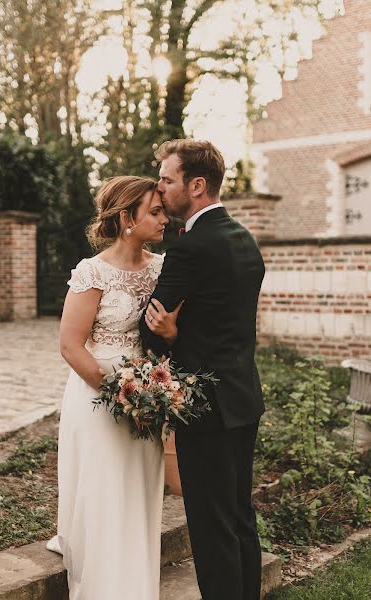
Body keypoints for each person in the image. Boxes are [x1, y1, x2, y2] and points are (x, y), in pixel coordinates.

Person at [139, 139, 266, 600]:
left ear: (196, 185)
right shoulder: (243, 238)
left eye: (168, 179)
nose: (161, 187)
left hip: (205, 409)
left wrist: (172, 337)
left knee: (212, 532)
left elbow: (150, 328)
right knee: (239, 519)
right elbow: (223, 321)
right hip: (243, 398)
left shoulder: (190, 248)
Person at [47, 175, 177, 600]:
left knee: (137, 489)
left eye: (162, 210)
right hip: (97, 395)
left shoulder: (161, 268)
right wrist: (121, 391)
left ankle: (135, 579)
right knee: (104, 489)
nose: (164, 218)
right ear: (127, 218)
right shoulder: (93, 271)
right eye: (154, 212)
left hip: (148, 391)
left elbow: (169, 334)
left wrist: (169, 341)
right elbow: (70, 344)